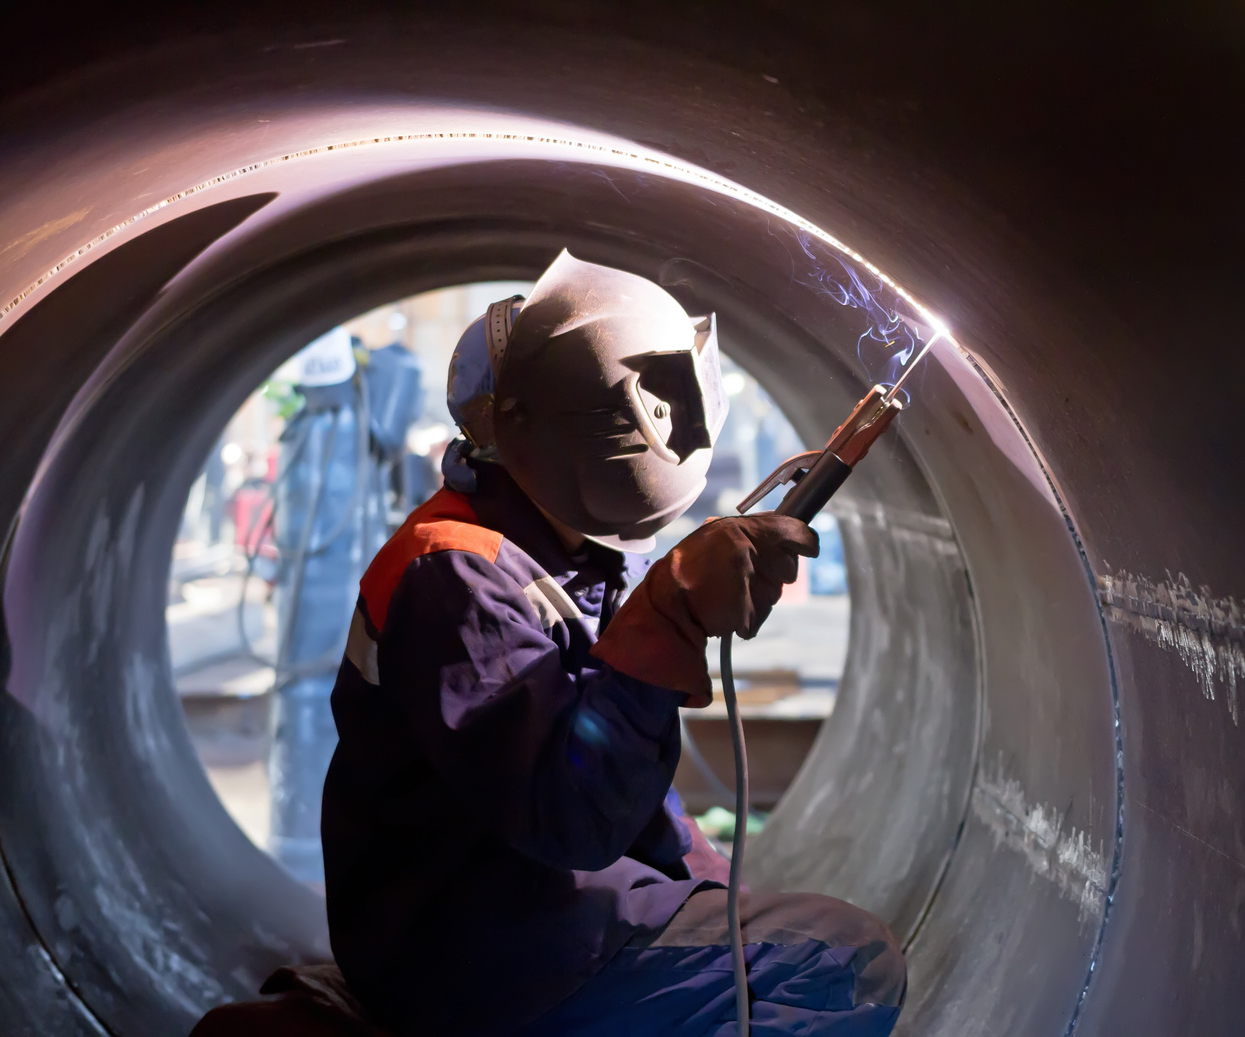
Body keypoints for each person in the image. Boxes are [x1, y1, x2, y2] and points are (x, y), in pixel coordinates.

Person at [316, 252, 906, 1036]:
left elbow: (624, 792)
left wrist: (716, 890)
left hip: (529, 915)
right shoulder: (456, 573)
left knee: (786, 939)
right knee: (840, 961)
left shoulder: (558, 556)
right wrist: (665, 617)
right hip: (475, 949)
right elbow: (572, 816)